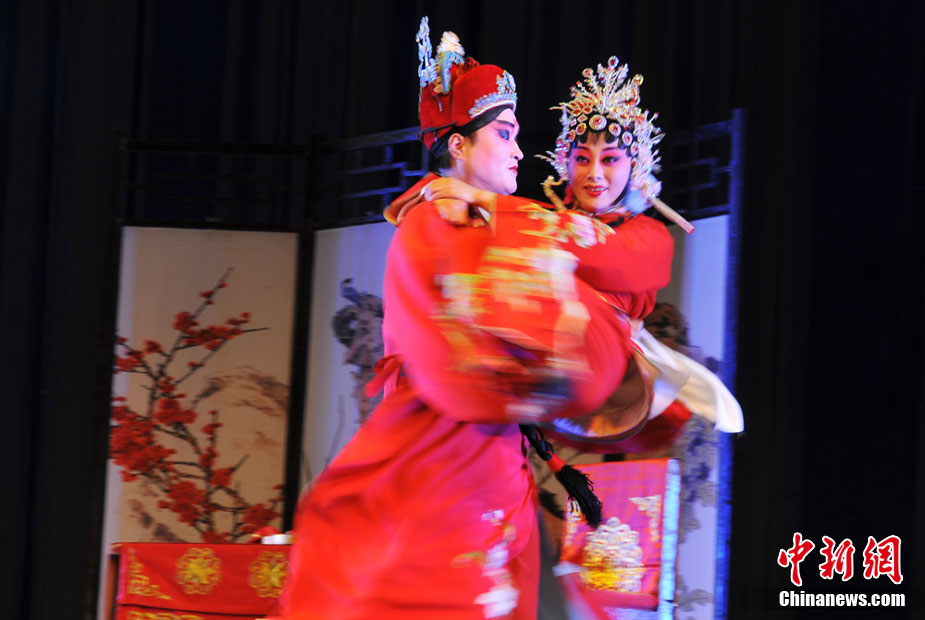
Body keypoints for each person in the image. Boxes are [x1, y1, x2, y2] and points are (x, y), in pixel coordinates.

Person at [281, 21, 671, 620]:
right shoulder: (433, 222)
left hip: (490, 459)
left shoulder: (500, 219)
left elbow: (624, 263)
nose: (518, 149)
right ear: (459, 146)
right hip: (441, 456)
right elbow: (448, 361)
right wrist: (540, 371)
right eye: (505, 133)